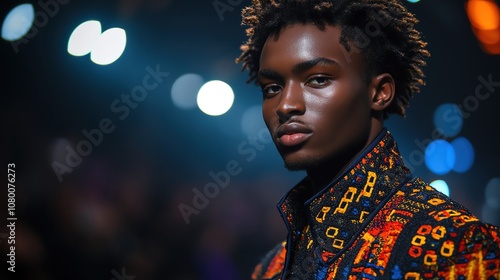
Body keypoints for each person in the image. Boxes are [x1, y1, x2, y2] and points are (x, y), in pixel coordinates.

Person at [235, 0, 500, 279]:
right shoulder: (270, 268)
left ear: (379, 92)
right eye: (273, 88)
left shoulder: (460, 248)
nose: (285, 105)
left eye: (318, 79)